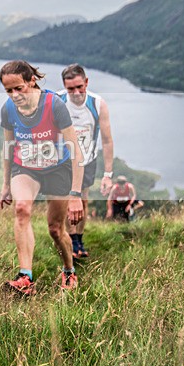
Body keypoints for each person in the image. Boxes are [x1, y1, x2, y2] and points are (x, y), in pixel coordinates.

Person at [0, 60, 85, 295]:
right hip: (25, 168)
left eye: (19, 88)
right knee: (22, 209)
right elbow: (8, 147)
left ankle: (69, 270)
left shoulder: (54, 105)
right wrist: (6, 185)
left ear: (31, 81)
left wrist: (76, 194)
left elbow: (75, 150)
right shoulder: (8, 109)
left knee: (56, 229)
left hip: (57, 169)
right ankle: (25, 277)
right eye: (9, 90)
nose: (14, 95)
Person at [58, 64, 115, 258]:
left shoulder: (97, 103)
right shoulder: (58, 101)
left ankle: (79, 239)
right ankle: (72, 241)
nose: (75, 92)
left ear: (86, 82)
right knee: (67, 201)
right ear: (64, 87)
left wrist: (108, 174)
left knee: (82, 200)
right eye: (70, 88)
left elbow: (107, 140)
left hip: (88, 160)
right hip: (63, 161)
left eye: (79, 87)